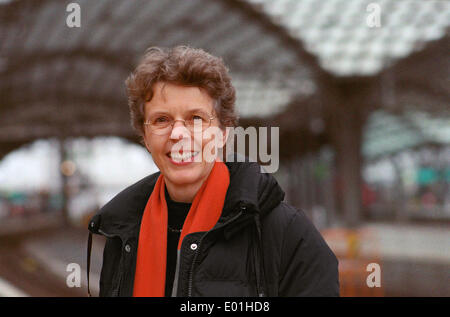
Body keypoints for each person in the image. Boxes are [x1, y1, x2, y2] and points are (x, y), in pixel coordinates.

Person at [87, 46, 339, 297]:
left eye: (196, 118)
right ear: (145, 136)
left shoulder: (287, 234)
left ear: (223, 132)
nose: (178, 134)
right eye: (161, 120)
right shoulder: (122, 234)